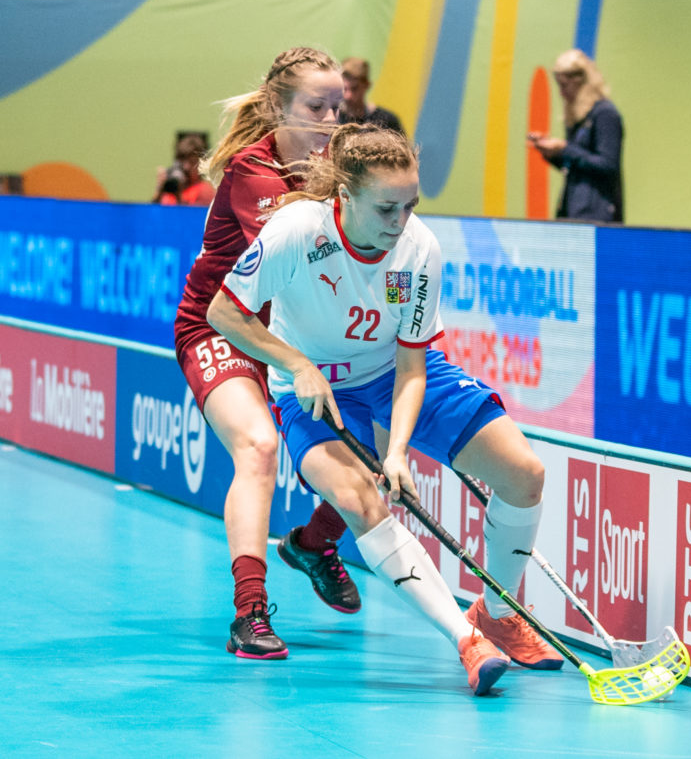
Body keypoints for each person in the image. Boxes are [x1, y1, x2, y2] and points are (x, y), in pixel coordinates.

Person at [206, 124, 562, 695]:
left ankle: (496, 613)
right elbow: (225, 313)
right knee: (356, 498)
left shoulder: (417, 249)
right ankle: (465, 640)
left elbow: (412, 363)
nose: (400, 222)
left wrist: (396, 451)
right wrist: (297, 364)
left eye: (410, 205)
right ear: (344, 196)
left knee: (525, 473)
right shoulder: (297, 232)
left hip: (391, 375)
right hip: (314, 389)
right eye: (386, 208)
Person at [173, 47, 361, 660]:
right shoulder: (253, 174)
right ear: (278, 108)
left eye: (339, 108)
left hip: (290, 333)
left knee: (378, 435)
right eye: (316, 108)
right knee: (259, 446)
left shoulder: (338, 166)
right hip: (218, 329)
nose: (330, 122)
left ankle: (313, 541)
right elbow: (309, 261)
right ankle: (249, 613)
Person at [528, 49, 623, 223]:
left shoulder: (605, 114)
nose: (561, 93)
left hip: (597, 215)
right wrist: (552, 154)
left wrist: (565, 148)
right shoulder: (579, 118)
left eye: (564, 86)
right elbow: (577, 168)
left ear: (581, 82)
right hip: (573, 210)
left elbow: (608, 165)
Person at [337, 58, 404, 137]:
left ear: (367, 85)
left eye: (354, 88)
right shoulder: (334, 119)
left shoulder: (387, 121)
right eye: (344, 89)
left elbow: (403, 149)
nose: (348, 96)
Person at [154, 132, 215, 206]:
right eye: (182, 161)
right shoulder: (172, 188)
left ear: (201, 164)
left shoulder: (205, 190)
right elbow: (152, 213)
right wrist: (159, 191)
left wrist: (178, 196)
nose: (186, 167)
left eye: (192, 162)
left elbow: (190, 215)